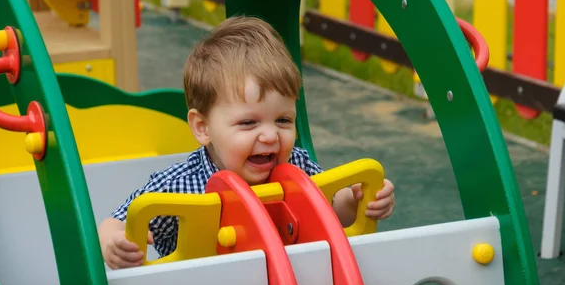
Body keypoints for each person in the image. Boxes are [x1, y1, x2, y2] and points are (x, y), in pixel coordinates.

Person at [98, 15, 396, 270]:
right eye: (248, 123)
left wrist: (356, 201)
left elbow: (331, 211)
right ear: (203, 128)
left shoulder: (297, 166)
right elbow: (116, 223)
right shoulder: (179, 185)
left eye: (283, 120)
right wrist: (113, 240)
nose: (270, 136)